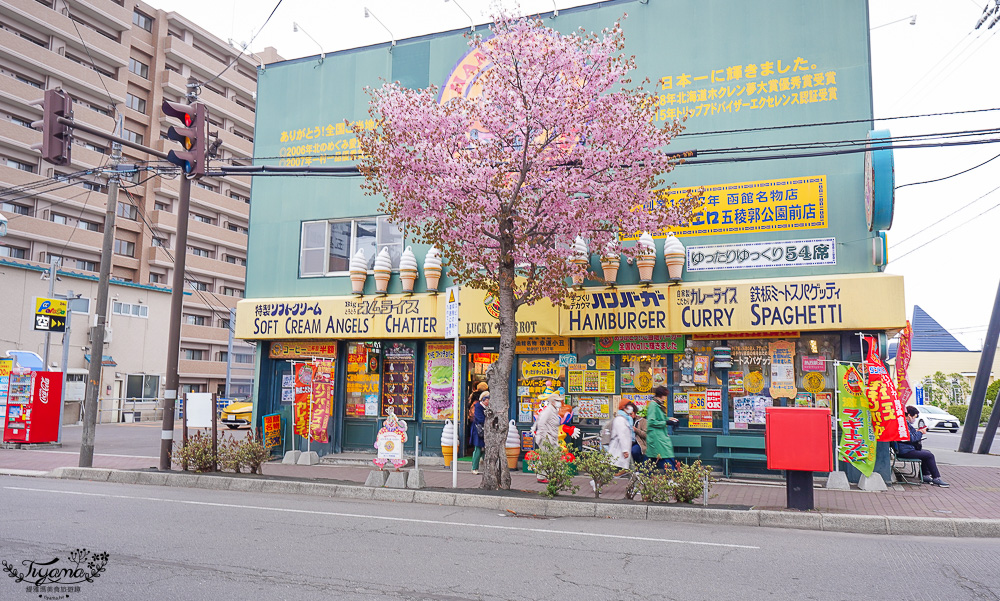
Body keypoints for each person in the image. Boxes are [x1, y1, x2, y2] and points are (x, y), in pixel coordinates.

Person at [897, 405, 949, 487]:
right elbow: (912, 438)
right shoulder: (904, 424)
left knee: (926, 453)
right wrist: (920, 432)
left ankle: (925, 475)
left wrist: (918, 431)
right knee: (929, 455)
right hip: (905, 451)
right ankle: (936, 478)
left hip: (904, 448)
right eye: (914, 417)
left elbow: (910, 435)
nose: (915, 420)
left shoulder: (903, 423)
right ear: (909, 415)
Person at [646, 386, 679, 471]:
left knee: (655, 457)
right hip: (657, 436)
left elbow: (659, 418)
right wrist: (666, 422)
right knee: (665, 455)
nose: (665, 398)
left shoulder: (657, 404)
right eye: (665, 395)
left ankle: (645, 474)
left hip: (659, 435)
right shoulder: (653, 405)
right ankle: (671, 474)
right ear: (661, 395)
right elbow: (651, 421)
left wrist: (670, 419)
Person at [608, 399, 634, 473]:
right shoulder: (620, 419)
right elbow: (622, 435)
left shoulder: (626, 419)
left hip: (623, 448)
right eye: (629, 406)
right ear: (624, 407)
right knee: (610, 468)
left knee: (630, 469)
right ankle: (597, 482)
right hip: (619, 448)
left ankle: (634, 483)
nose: (630, 408)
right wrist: (625, 450)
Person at [470, 391, 488, 474]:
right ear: (484, 399)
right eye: (488, 399)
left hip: (486, 430)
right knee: (478, 448)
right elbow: (480, 418)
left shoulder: (488, 407)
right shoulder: (477, 406)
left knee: (486, 449)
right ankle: (474, 468)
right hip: (478, 430)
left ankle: (487, 468)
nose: (489, 401)